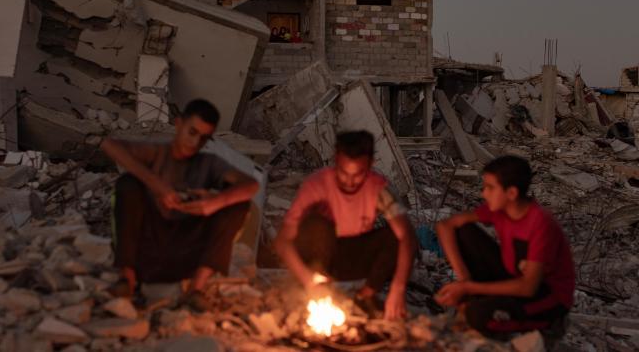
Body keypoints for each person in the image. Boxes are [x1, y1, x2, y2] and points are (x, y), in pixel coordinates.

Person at [100, 99, 259, 311]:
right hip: (147, 247)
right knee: (128, 185)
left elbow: (251, 184)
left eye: (203, 138)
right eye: (191, 132)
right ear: (178, 124)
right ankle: (126, 280)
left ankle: (196, 290)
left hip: (187, 251)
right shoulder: (157, 153)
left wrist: (214, 202)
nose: (195, 143)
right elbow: (109, 144)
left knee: (237, 205)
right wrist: (156, 184)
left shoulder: (209, 163)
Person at [274, 130, 417, 320]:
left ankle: (365, 296)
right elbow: (282, 242)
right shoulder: (316, 185)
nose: (349, 182)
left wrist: (398, 289)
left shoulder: (378, 188)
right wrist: (309, 280)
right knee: (317, 225)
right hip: (319, 257)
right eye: (343, 173)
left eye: (358, 174)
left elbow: (407, 236)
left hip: (351, 256)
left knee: (395, 237)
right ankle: (315, 290)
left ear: (370, 165)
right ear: (335, 161)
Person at [435, 156, 574, 337]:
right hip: (513, 277)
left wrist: (468, 289)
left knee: (477, 316)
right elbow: (445, 225)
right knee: (463, 230)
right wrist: (464, 280)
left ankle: (547, 326)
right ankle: (484, 302)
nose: (484, 193)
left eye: (490, 188)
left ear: (511, 194)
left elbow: (528, 287)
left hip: (545, 295)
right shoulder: (500, 210)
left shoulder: (541, 223)